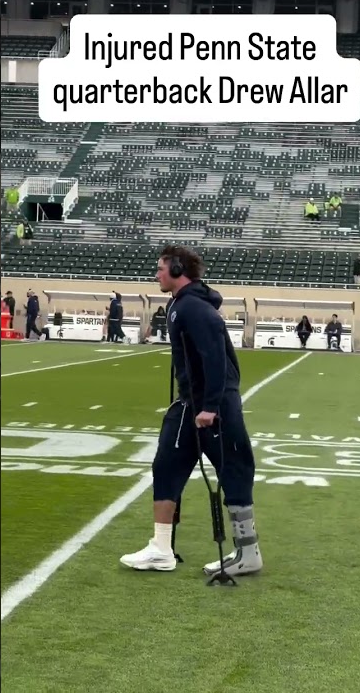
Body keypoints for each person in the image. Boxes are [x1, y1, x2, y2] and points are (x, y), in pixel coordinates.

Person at [120, 245, 262, 576]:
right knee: (166, 465)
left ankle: (249, 552)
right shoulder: (180, 305)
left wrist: (211, 406)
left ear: (178, 269)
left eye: (160, 268)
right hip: (190, 403)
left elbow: (215, 358)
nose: (156, 274)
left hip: (212, 405)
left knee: (234, 470)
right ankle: (161, 548)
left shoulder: (195, 308)